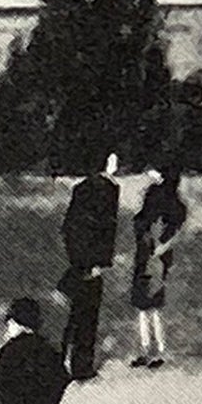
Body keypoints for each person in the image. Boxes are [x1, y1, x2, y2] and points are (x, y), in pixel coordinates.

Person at [59, 151, 123, 382]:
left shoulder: (81, 187)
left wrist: (76, 257)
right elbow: (105, 229)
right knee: (86, 317)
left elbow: (69, 227)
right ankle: (81, 367)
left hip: (76, 260)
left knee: (71, 316)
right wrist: (97, 262)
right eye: (113, 159)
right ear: (106, 163)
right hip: (89, 263)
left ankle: (60, 363)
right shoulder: (107, 189)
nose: (116, 164)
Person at [130, 158, 189, 367]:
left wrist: (153, 246)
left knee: (145, 305)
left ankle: (150, 350)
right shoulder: (177, 204)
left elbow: (140, 222)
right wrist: (161, 248)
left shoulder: (154, 195)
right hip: (158, 255)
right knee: (153, 304)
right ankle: (156, 351)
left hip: (148, 253)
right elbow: (174, 231)